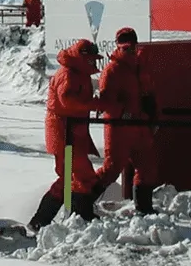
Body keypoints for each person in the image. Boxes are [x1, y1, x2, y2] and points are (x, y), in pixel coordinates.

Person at [28, 39, 113, 230]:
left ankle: (45, 220)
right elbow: (67, 101)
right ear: (82, 58)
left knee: (68, 179)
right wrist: (94, 104)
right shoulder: (68, 75)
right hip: (64, 133)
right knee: (81, 176)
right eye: (91, 59)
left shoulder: (77, 73)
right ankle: (79, 216)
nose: (93, 63)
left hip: (71, 132)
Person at [98, 28, 159, 214]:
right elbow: (106, 102)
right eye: (124, 45)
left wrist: (153, 116)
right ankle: (82, 201)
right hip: (120, 127)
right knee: (112, 168)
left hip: (139, 125)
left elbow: (148, 93)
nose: (128, 49)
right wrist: (122, 114)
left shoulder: (140, 66)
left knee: (147, 167)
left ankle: (144, 208)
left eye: (131, 45)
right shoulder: (112, 70)